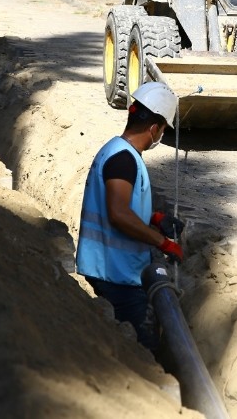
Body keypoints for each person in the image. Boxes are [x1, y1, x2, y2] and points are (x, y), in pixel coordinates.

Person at [76, 81, 186, 350]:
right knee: (140, 347)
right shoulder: (123, 159)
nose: (161, 135)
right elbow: (119, 214)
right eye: (162, 129)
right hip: (115, 275)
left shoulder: (117, 152)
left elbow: (121, 204)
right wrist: (163, 243)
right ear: (153, 129)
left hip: (107, 268)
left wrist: (154, 218)